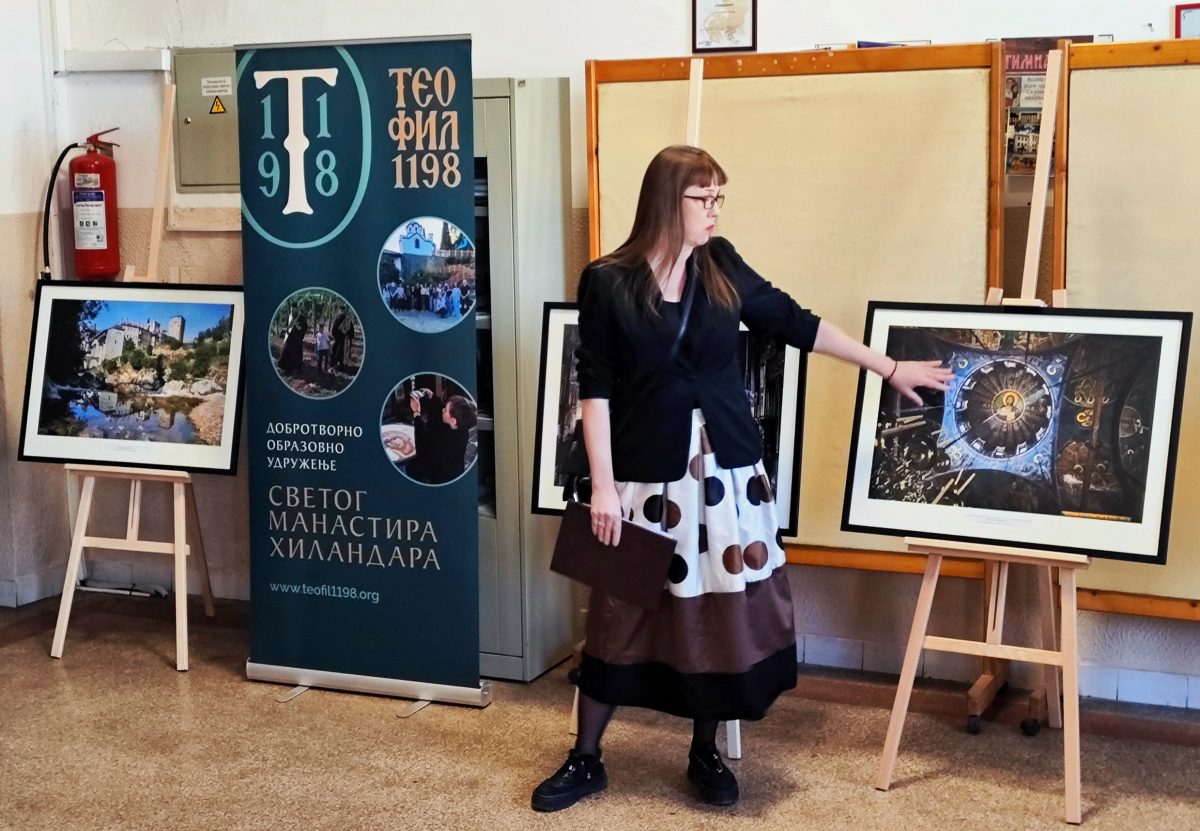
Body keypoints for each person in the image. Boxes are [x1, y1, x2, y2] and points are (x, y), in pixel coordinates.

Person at [530, 145, 951, 813]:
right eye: (704, 198)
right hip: (645, 474)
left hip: (725, 472)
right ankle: (586, 757)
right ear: (667, 200)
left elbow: (794, 321)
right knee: (620, 613)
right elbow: (597, 388)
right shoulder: (608, 280)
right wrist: (603, 486)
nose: (715, 210)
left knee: (720, 608)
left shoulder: (720, 264)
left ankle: (705, 751)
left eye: (719, 197)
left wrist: (888, 365)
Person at [277, 307, 307, 375]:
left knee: (296, 355)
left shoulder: (302, 318)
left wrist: (299, 328)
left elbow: (304, 327)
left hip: (297, 340)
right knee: (287, 351)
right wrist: (287, 330)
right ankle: (285, 368)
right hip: (291, 338)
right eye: (292, 310)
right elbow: (289, 326)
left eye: (294, 309)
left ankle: (295, 369)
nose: (293, 311)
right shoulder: (293, 317)